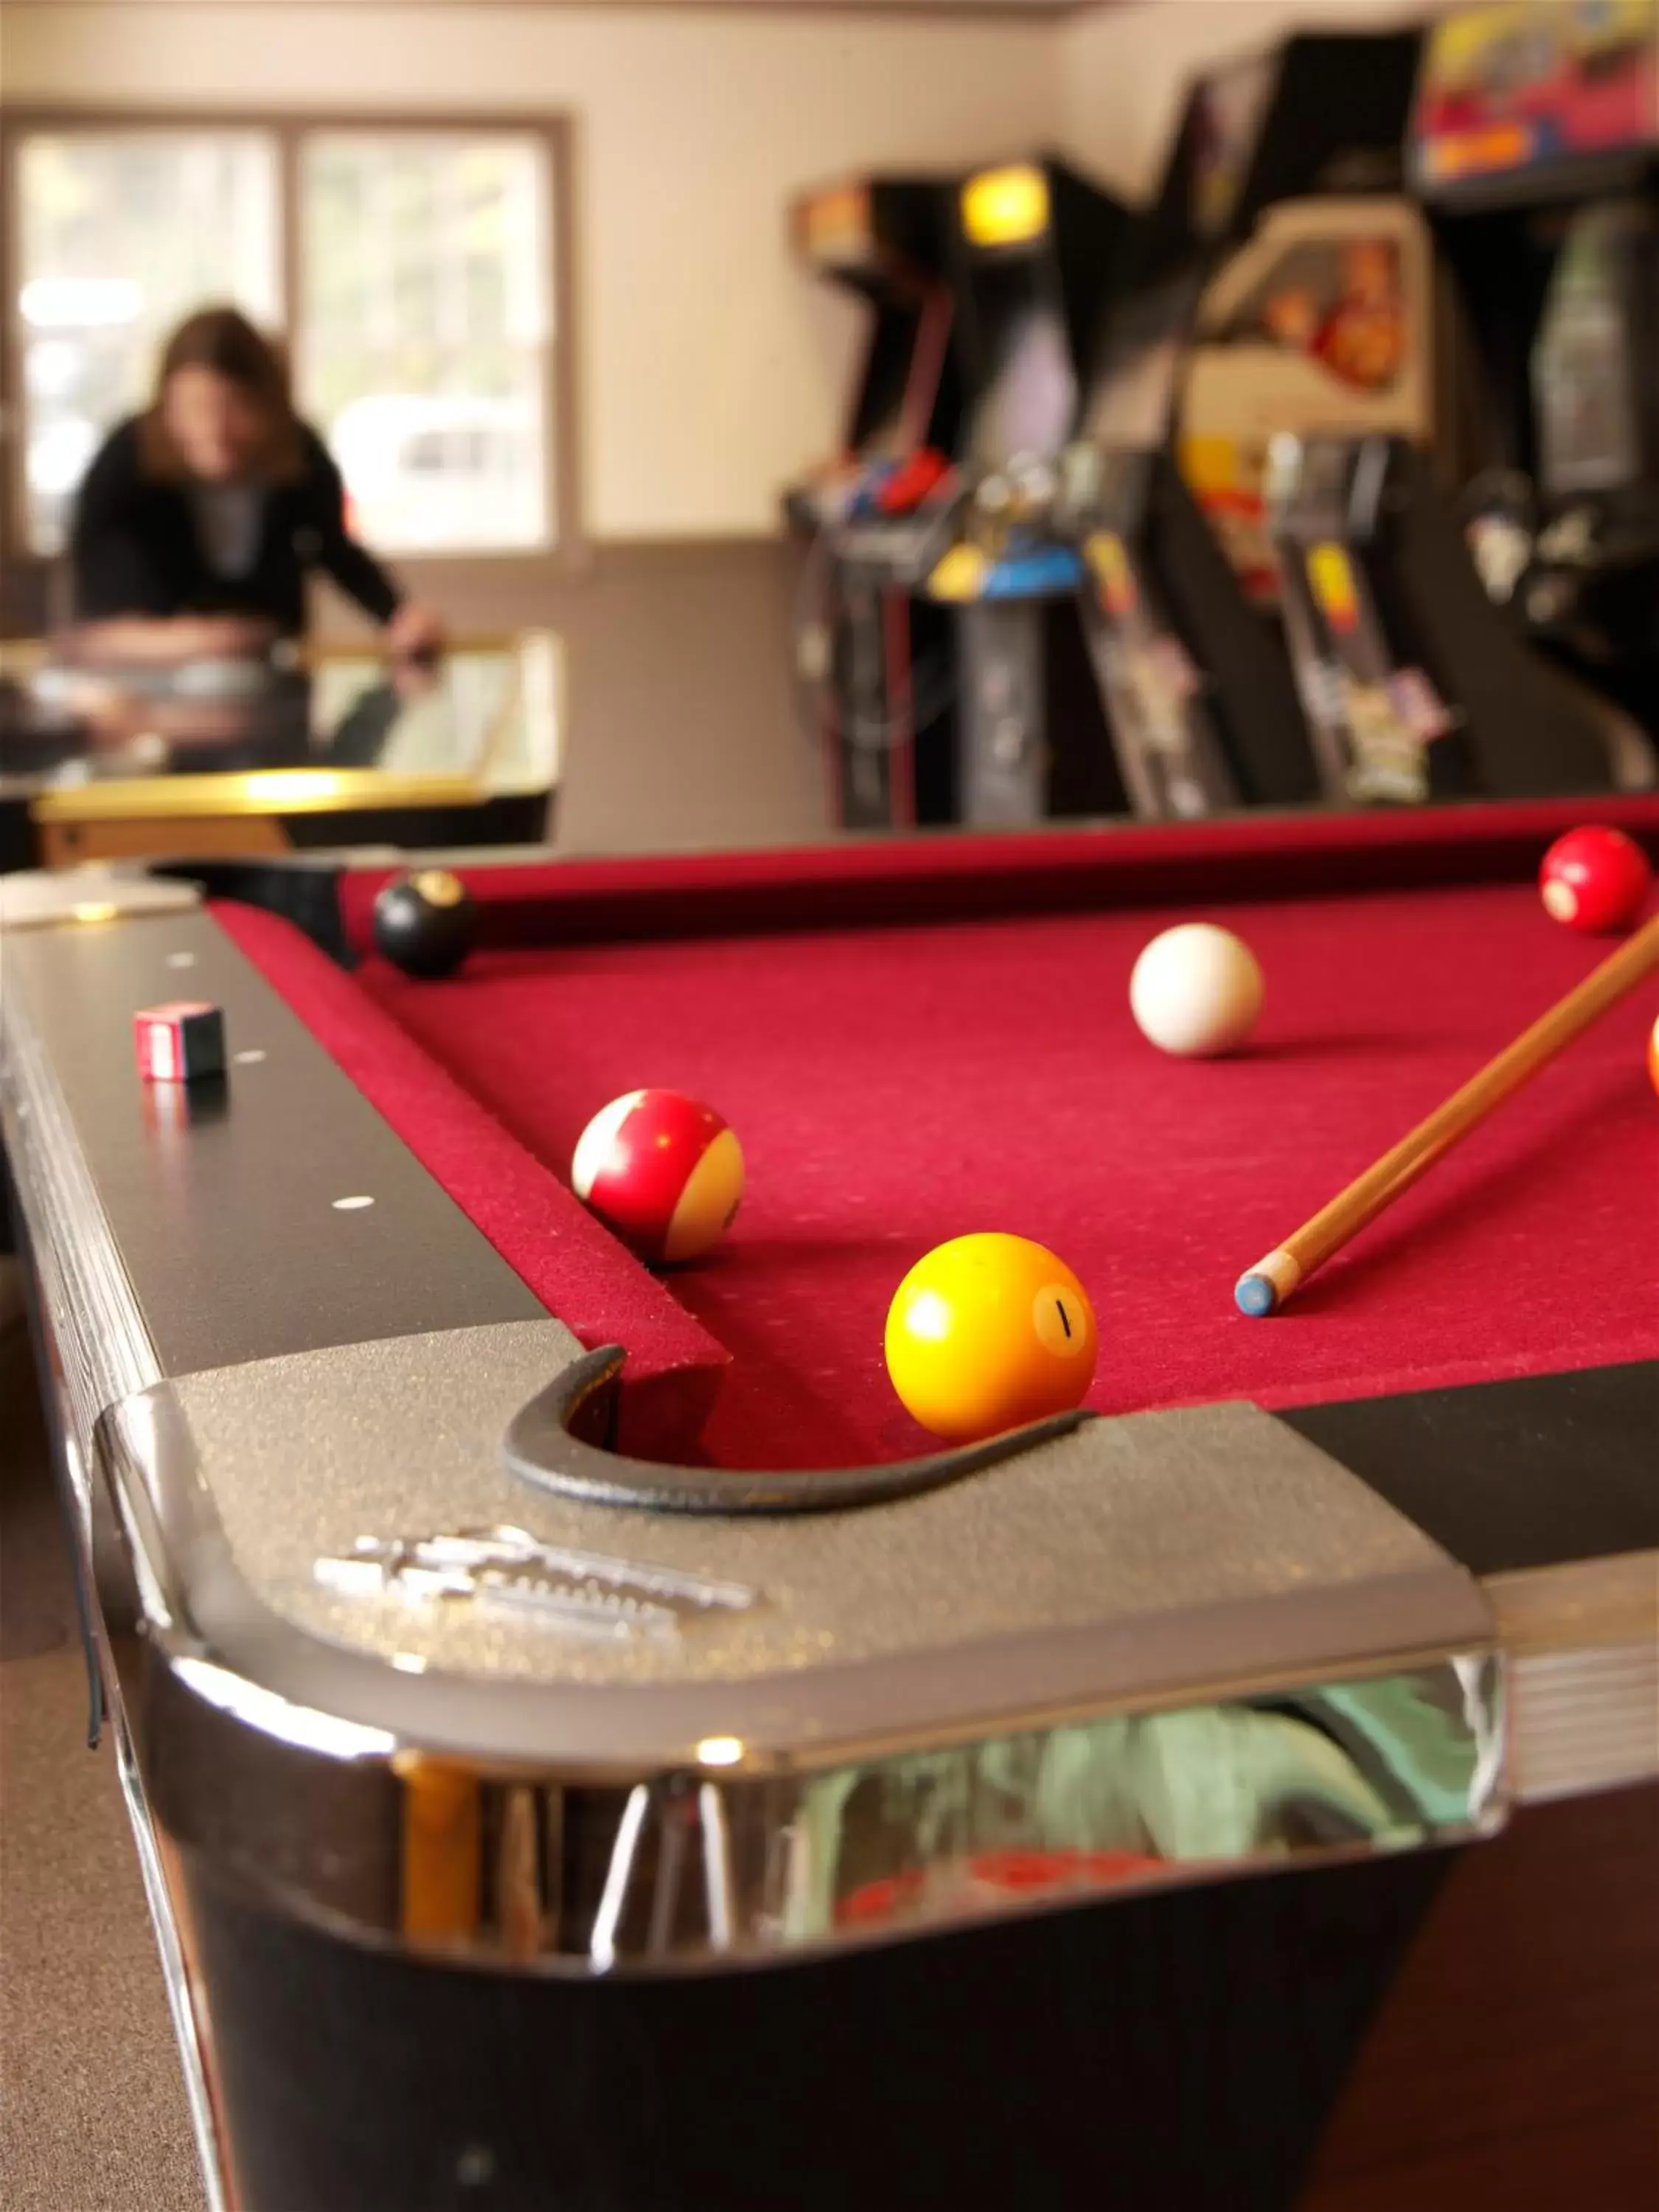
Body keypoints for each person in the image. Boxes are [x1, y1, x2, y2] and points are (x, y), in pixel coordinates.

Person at [66, 305, 443, 673]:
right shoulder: (126, 463)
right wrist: (211, 641)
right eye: (196, 407)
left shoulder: (298, 452)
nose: (215, 430)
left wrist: (398, 615)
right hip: (152, 695)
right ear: (167, 404)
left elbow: (335, 548)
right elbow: (101, 624)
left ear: (268, 405)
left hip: (274, 686)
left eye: (233, 407)